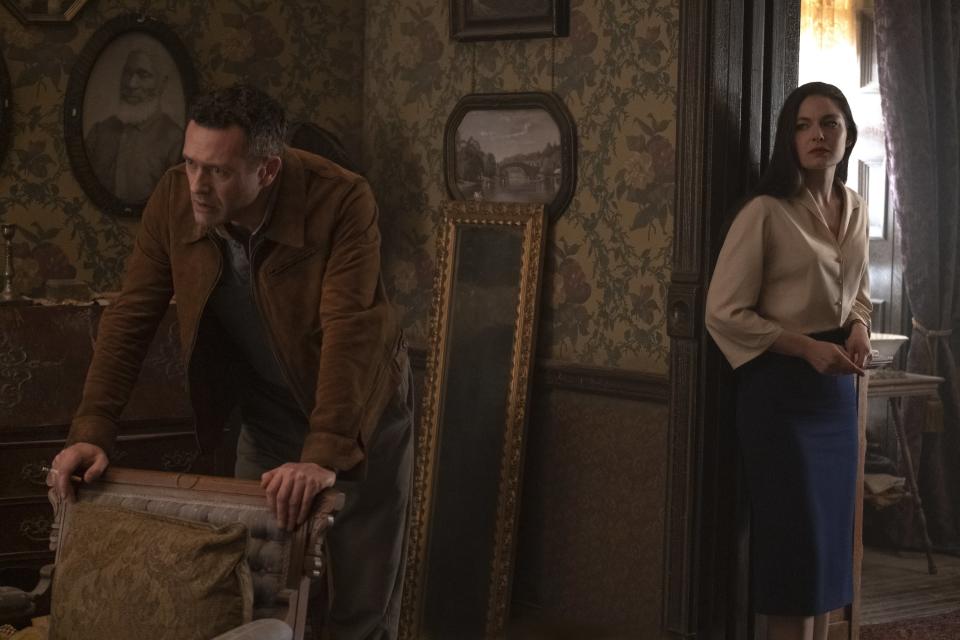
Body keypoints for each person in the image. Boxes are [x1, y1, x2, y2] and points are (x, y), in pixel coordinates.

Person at [51, 84, 413, 640]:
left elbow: (352, 331)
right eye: (189, 162)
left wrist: (324, 454)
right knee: (258, 588)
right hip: (266, 417)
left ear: (267, 170)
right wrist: (93, 429)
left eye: (216, 171)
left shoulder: (342, 198)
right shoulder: (176, 197)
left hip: (357, 416)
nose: (195, 185)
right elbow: (131, 316)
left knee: (359, 609)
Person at [705, 82, 872, 640]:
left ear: (847, 135)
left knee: (825, 563)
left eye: (830, 123)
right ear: (787, 139)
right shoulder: (765, 212)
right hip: (779, 397)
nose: (817, 135)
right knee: (795, 561)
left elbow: (859, 295)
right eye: (803, 125)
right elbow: (722, 312)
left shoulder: (854, 209)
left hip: (834, 401)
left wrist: (859, 328)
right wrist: (805, 347)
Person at [85, 48, 184, 203]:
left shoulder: (176, 141)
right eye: (127, 73)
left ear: (162, 84)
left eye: (143, 75)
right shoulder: (99, 132)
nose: (131, 84)